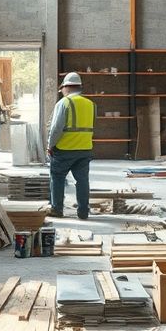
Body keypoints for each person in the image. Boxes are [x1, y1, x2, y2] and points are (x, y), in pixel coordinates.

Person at [46, 71, 95, 220]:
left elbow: (56, 129)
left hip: (65, 149)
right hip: (85, 149)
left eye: (62, 90)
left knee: (58, 177)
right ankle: (83, 212)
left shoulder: (64, 103)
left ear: (66, 88)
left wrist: (50, 145)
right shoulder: (90, 104)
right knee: (82, 181)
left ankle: (57, 209)